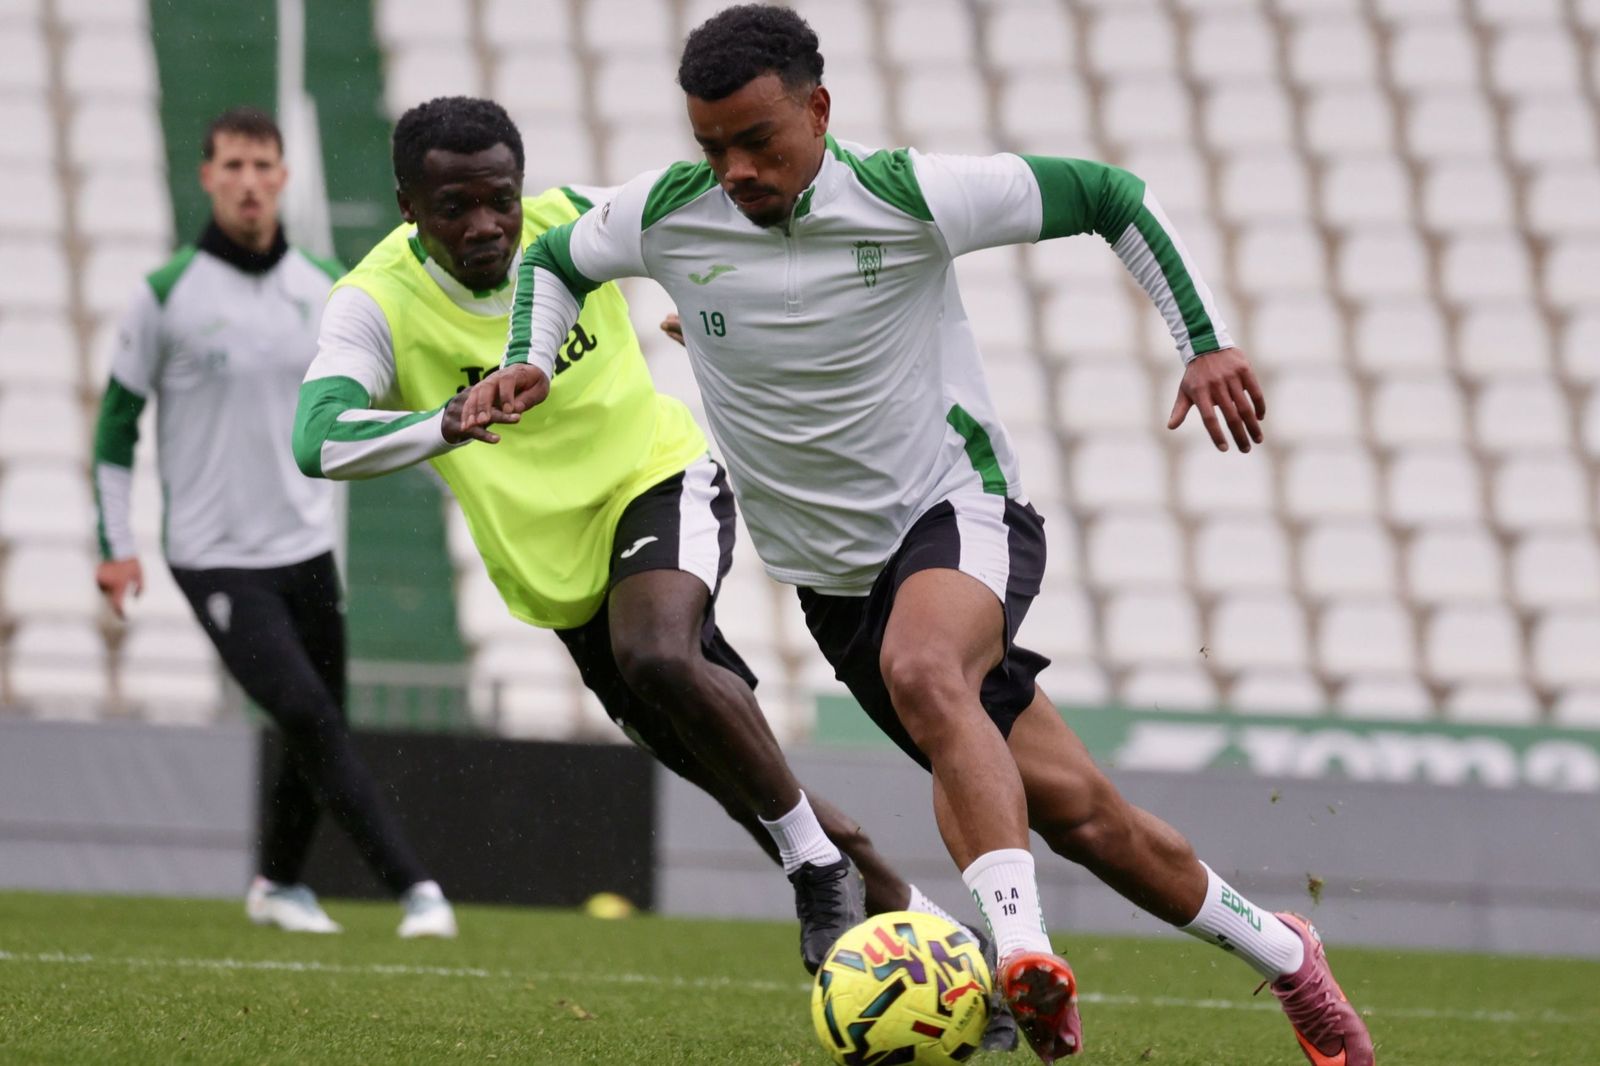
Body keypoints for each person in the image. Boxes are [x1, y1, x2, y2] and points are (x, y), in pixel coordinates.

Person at [464, 6, 1375, 1065]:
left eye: (759, 139)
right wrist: (527, 352)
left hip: (959, 510)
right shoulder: (668, 215)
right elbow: (553, 259)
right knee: (1082, 818)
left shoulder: (906, 195)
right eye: (712, 145)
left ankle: (1022, 951)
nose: (735, 169)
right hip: (831, 580)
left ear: (818, 109)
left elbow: (1107, 194)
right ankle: (1288, 957)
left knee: (925, 664)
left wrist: (1202, 343)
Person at [289, 98, 1013, 1048]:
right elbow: (317, 437)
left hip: (661, 481)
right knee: (745, 778)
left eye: (499, 200)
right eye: (453, 207)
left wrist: (725, 302)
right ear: (406, 207)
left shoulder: (573, 222)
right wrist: (442, 422)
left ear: (522, 187)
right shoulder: (372, 301)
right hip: (562, 578)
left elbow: (723, 219)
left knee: (660, 654)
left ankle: (814, 868)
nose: (484, 226)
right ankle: (949, 953)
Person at [92, 106, 456, 940]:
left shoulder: (326, 283)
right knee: (309, 714)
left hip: (307, 547)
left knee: (317, 720)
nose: (249, 183)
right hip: (214, 556)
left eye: (264, 166)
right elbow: (116, 425)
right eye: (233, 167)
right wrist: (117, 547)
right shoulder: (165, 294)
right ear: (207, 177)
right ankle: (416, 889)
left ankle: (279, 885)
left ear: (284, 177)